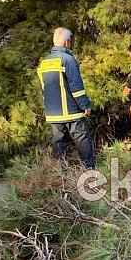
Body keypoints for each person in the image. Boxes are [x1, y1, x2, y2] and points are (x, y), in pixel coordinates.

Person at [37, 27, 95, 168]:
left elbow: (43, 87)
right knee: (81, 139)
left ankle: (59, 173)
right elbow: (76, 87)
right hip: (71, 111)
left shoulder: (44, 62)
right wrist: (85, 105)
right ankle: (89, 170)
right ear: (67, 42)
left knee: (59, 143)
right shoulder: (68, 59)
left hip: (53, 113)